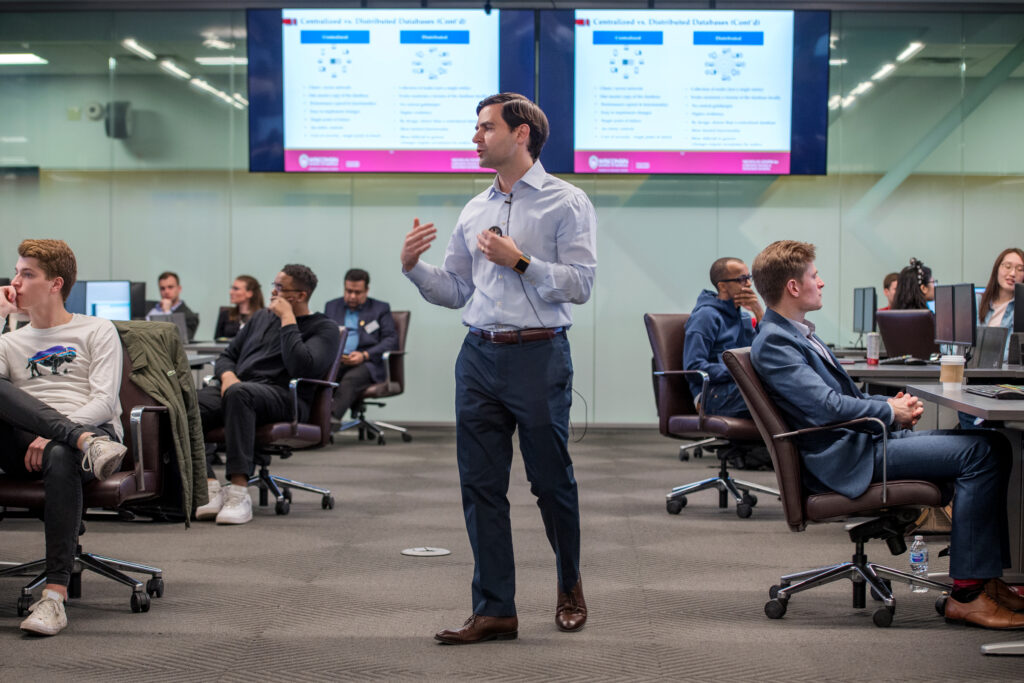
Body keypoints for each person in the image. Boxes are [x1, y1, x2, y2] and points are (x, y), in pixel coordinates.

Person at [401, 92, 597, 645]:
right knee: (480, 486)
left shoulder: (567, 202)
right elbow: (458, 288)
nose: (475, 137)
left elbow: (581, 285)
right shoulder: (474, 208)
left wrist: (522, 262)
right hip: (478, 356)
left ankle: (569, 586)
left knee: (550, 482)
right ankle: (494, 610)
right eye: (476, 127)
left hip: (539, 354)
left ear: (522, 135)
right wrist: (414, 268)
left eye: (486, 128)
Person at [750, 239, 1023, 630]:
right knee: (979, 454)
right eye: (814, 276)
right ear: (793, 287)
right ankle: (967, 594)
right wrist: (887, 412)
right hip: (848, 459)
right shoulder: (777, 341)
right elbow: (825, 407)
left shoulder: (795, 333)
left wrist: (891, 409)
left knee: (995, 442)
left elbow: (836, 399)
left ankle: (986, 581)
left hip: (862, 443)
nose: (822, 282)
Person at [0, 239, 131, 637]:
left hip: (94, 430)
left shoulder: (96, 328)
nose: (15, 281)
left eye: (27, 274)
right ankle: (78, 441)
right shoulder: (10, 341)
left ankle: (53, 597)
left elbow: (105, 401)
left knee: (59, 452)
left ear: (56, 284)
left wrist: (58, 432)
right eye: (16, 272)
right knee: (61, 443)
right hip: (51, 442)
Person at [194, 264, 339, 525]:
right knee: (185, 401)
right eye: (274, 285)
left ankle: (239, 492)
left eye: (281, 288)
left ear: (301, 295)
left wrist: (287, 320)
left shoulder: (324, 328)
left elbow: (301, 365)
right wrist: (227, 376)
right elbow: (227, 356)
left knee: (240, 394)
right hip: (240, 387)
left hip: (285, 397)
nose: (273, 291)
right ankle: (209, 485)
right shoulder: (259, 318)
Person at [683, 257, 762, 419]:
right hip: (711, 395)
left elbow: (762, 353)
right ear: (722, 286)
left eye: (749, 278)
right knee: (778, 395)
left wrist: (759, 312)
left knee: (784, 388)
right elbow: (693, 368)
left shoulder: (744, 317)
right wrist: (740, 372)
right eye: (741, 279)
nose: (748, 284)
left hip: (736, 387)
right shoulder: (705, 316)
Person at [322, 268, 398, 422]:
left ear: (367, 290)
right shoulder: (331, 307)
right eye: (348, 291)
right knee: (320, 377)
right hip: (338, 361)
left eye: (357, 292)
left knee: (351, 379)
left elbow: (391, 340)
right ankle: (308, 420)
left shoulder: (380, 309)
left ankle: (328, 422)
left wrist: (364, 355)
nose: (352, 296)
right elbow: (324, 336)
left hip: (368, 363)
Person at [146, 271, 199, 341]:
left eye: (170, 287)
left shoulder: (190, 316)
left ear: (179, 289)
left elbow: (182, 339)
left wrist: (167, 312)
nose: (166, 291)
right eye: (162, 288)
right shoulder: (150, 309)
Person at [214, 275, 265, 340]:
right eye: (231, 288)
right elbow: (217, 341)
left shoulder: (264, 316)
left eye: (236, 289)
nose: (231, 292)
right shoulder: (225, 314)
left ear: (249, 293)